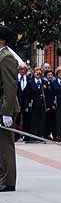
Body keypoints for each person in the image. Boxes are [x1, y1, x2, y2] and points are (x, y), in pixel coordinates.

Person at [0, 25, 21, 192]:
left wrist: (7, 112)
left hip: (5, 107)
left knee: (6, 145)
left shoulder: (6, 57)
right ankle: (3, 177)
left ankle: (8, 181)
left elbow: (9, 87)